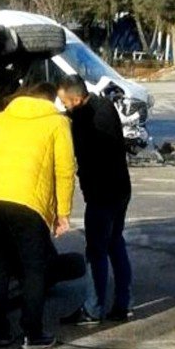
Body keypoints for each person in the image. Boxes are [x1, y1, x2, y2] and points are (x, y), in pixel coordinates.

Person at [0, 82, 76, 349]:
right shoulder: (57, 123)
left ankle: (1, 333)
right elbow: (64, 169)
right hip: (27, 203)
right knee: (33, 268)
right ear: (50, 101)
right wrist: (62, 212)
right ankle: (33, 333)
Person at [56, 74, 133, 324]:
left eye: (65, 103)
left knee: (96, 251)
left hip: (101, 194)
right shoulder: (105, 106)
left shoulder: (82, 120)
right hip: (121, 188)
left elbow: (75, 158)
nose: (64, 107)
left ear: (77, 99)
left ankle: (92, 309)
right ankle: (123, 304)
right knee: (115, 244)